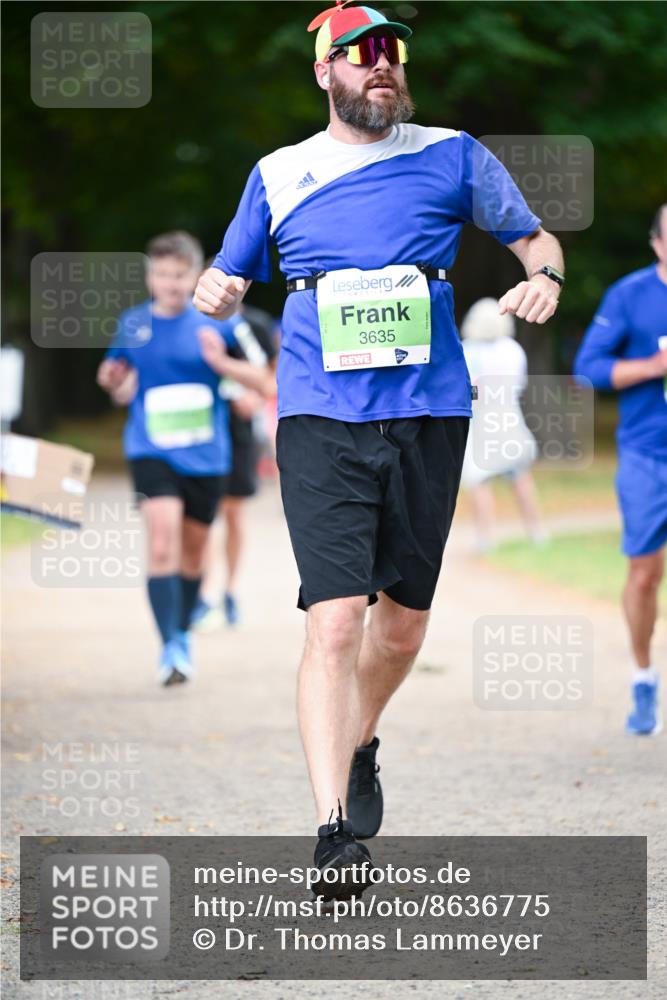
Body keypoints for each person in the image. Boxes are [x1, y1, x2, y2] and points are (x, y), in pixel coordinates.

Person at [193, 2, 564, 899]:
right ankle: (329, 832)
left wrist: (543, 274)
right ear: (324, 73)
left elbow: (534, 236)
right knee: (334, 620)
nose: (379, 67)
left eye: (389, 53)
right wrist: (214, 287)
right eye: (357, 56)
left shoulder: (452, 153)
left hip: (429, 412)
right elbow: (230, 273)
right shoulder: (280, 174)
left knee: (399, 627)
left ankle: (362, 740)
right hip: (319, 414)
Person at [96, 231, 269, 686]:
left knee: (194, 552)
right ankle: (170, 645)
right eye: (161, 274)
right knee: (160, 539)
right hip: (150, 448)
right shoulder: (133, 323)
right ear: (150, 276)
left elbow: (266, 383)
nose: (170, 284)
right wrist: (112, 380)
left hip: (207, 455)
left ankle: (184, 629)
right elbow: (119, 387)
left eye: (179, 275)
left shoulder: (220, 323)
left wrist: (224, 366)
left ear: (196, 275)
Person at [574, 204, 667, 736]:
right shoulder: (630, 295)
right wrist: (653, 366)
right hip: (648, 453)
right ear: (656, 244)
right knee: (645, 572)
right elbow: (590, 368)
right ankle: (643, 674)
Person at [191, 303, 278, 631]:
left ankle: (230, 590)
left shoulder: (254, 325)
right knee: (204, 514)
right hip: (203, 428)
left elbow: (272, 376)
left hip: (241, 433)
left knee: (233, 513)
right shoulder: (193, 325)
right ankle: (204, 593)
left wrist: (254, 400)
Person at [459, 297, 546, 552]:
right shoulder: (513, 349)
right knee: (519, 477)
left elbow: (470, 390)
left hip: (481, 424)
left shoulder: (468, 350)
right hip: (509, 419)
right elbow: (518, 385)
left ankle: (486, 537)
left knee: (478, 481)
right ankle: (536, 531)